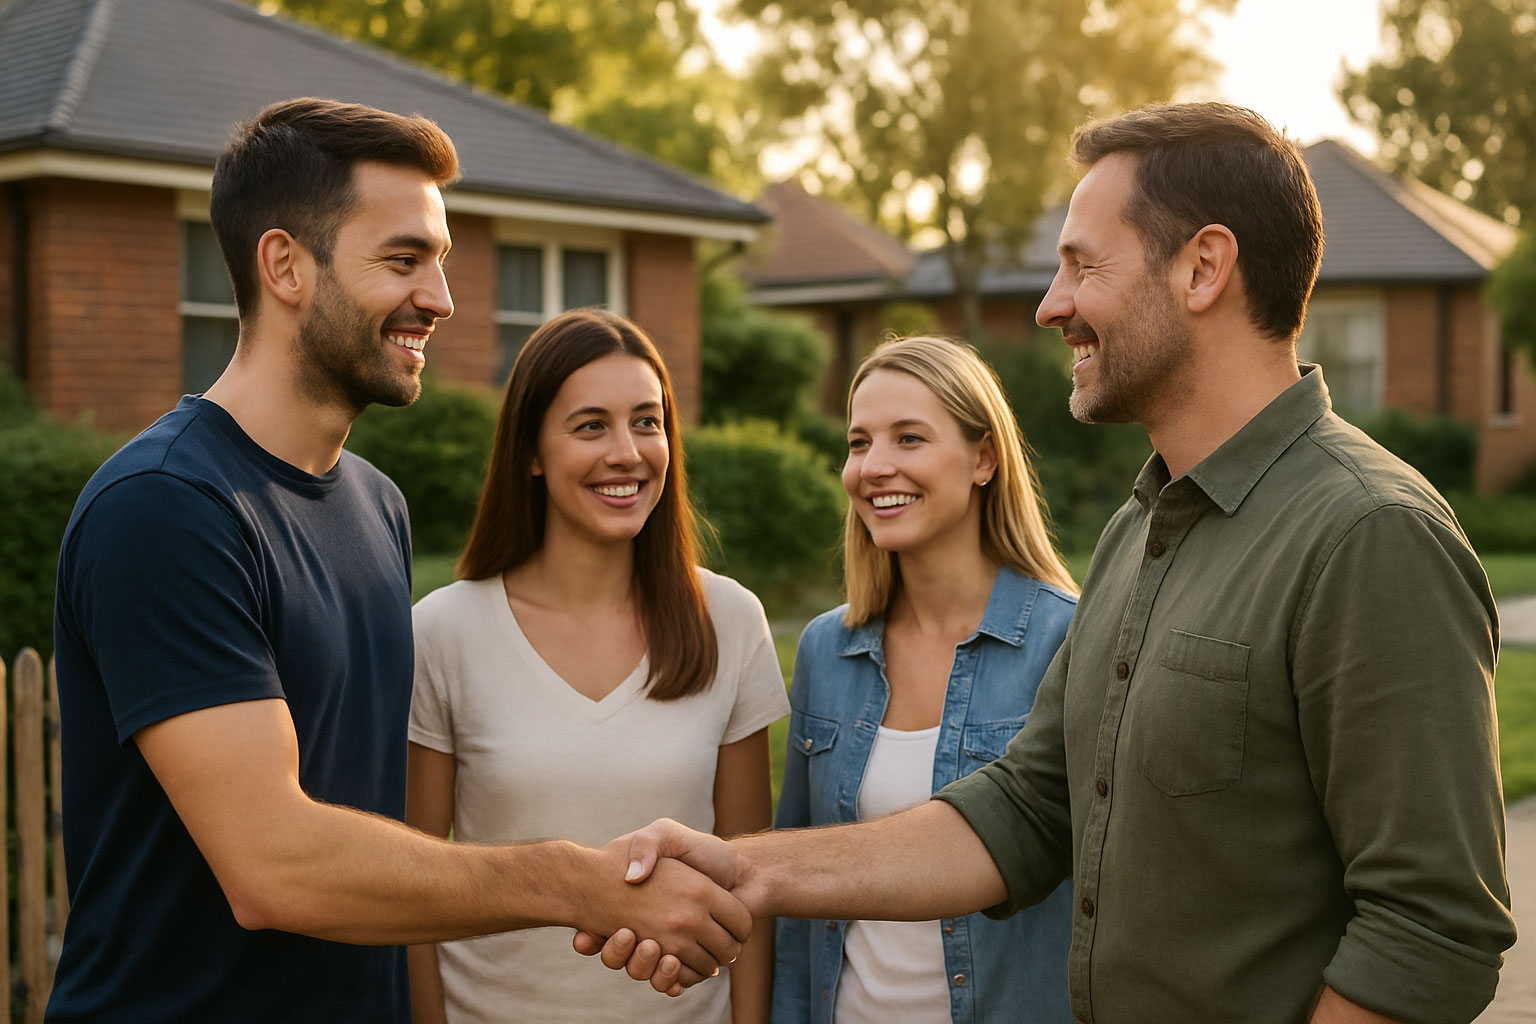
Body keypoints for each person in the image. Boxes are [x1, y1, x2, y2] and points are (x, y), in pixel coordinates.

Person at [582, 102, 1516, 1024]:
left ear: (1203, 267)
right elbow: (1031, 808)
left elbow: (1432, 930)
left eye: (1081, 265)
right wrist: (745, 870)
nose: (1050, 305)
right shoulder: (1140, 530)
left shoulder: (1369, 536)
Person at [48, 98, 748, 1024]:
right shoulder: (168, 509)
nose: (442, 298)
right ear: (285, 265)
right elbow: (275, 868)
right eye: (404, 259)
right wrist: (574, 880)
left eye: (441, 261)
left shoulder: (374, 507)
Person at [405, 309, 788, 1024]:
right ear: (532, 452)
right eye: (590, 426)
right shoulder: (444, 631)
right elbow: (414, 890)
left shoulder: (729, 621)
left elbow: (748, 887)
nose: (627, 452)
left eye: (647, 422)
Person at [772, 336, 1075, 1023]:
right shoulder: (827, 650)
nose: (875, 467)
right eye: (858, 442)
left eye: (909, 438)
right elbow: (795, 894)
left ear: (983, 458)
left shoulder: (1069, 642)